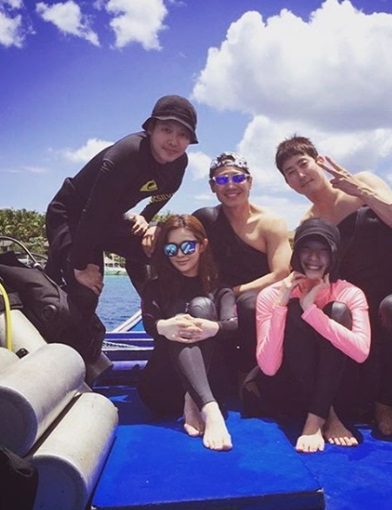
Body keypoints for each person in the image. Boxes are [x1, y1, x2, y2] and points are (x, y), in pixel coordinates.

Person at [275, 135, 392, 439]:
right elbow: (307, 270)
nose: (300, 174)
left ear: (318, 161)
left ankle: (385, 406)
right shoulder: (309, 221)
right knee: (324, 314)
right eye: (290, 172)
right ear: (288, 184)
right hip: (352, 303)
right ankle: (327, 410)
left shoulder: (362, 182)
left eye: (303, 164)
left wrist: (361, 191)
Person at [45, 95, 197, 362]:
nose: (174, 141)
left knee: (160, 252)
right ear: (151, 129)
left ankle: (159, 323)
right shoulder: (127, 154)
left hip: (109, 220)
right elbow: (92, 213)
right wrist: (80, 265)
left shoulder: (178, 164)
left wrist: (146, 218)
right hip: (71, 216)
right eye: (166, 130)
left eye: (183, 134)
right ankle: (67, 357)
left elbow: (165, 194)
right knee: (85, 291)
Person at [255, 217, 371, 453]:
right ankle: (327, 416)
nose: (314, 258)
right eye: (306, 249)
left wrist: (311, 310)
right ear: (296, 253)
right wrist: (281, 306)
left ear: (334, 255)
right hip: (290, 388)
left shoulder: (350, 293)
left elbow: (360, 353)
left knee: (337, 311)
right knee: (293, 310)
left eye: (323, 250)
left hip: (336, 389)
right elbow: (268, 367)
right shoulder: (272, 294)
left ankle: (316, 418)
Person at [137, 214, 237, 451]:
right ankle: (207, 408)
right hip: (163, 386)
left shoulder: (219, 287)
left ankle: (198, 401)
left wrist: (212, 328)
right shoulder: (155, 287)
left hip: (211, 383)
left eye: (188, 246)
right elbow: (149, 323)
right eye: (171, 248)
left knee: (202, 306)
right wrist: (165, 327)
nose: (180, 254)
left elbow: (233, 324)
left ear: (202, 245)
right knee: (178, 320)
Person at [192, 152, 292, 384]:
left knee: (249, 304)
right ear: (212, 186)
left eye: (237, 178)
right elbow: (177, 238)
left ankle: (247, 377)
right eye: (222, 180)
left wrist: (232, 292)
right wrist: (154, 229)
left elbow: (281, 273)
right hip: (217, 298)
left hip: (256, 299)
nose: (230, 186)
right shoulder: (205, 219)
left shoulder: (270, 222)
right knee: (199, 304)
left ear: (250, 181)